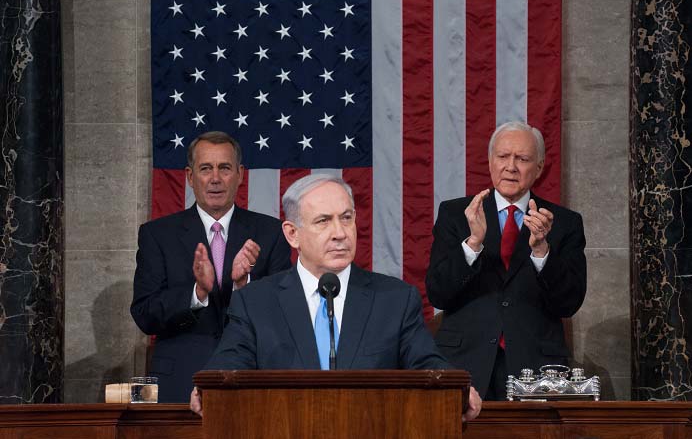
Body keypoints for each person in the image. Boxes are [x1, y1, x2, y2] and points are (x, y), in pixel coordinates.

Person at [190, 174, 481, 422]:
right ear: (293, 235)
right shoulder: (255, 303)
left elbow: (427, 362)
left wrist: (457, 387)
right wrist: (208, 388)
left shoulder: (394, 299)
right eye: (323, 221)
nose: (340, 233)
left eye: (346, 218)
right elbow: (227, 367)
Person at [426, 121, 587, 401]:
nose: (510, 166)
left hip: (536, 369)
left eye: (522, 159)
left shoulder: (564, 223)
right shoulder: (456, 214)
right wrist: (473, 243)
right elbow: (438, 293)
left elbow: (568, 303)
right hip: (464, 364)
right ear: (490, 161)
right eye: (503, 156)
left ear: (538, 168)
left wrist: (541, 252)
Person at [130, 131, 291, 402]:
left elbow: (286, 312)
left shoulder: (270, 233)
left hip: (252, 382)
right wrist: (197, 293)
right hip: (180, 383)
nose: (215, 178)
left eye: (224, 168)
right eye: (206, 168)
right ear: (190, 177)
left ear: (240, 174)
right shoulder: (158, 235)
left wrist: (244, 287)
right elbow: (145, 314)